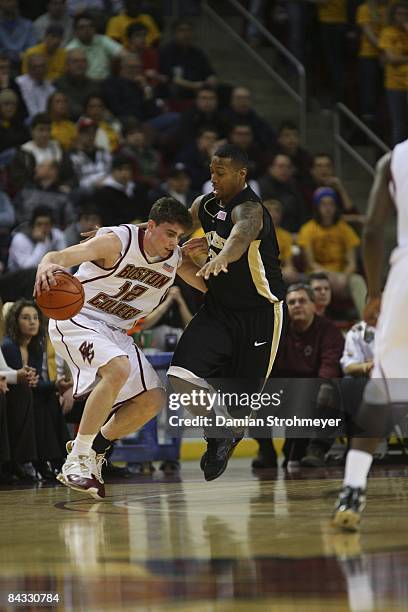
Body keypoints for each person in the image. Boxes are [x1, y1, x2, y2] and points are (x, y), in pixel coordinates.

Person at [34, 197, 206, 499]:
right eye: (168, 233)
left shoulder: (175, 259)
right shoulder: (116, 242)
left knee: (153, 400)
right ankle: (78, 459)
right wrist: (45, 267)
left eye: (178, 236)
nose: (173, 242)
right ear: (150, 226)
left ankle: (95, 449)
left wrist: (209, 259)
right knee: (118, 368)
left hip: (115, 331)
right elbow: (60, 255)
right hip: (77, 317)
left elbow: (211, 288)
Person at [167, 144, 286, 482]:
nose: (213, 178)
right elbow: (168, 227)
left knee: (241, 409)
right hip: (219, 310)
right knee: (179, 377)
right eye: (211, 171)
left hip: (260, 315)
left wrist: (223, 257)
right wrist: (123, 236)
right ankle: (217, 431)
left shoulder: (251, 209)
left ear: (241, 175)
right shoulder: (203, 205)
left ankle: (230, 431)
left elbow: (241, 234)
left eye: (221, 172)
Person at [332, 141, 408, 531]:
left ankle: (353, 489)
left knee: (380, 389)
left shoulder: (393, 158)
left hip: (404, 277)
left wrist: (376, 291)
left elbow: (374, 229)